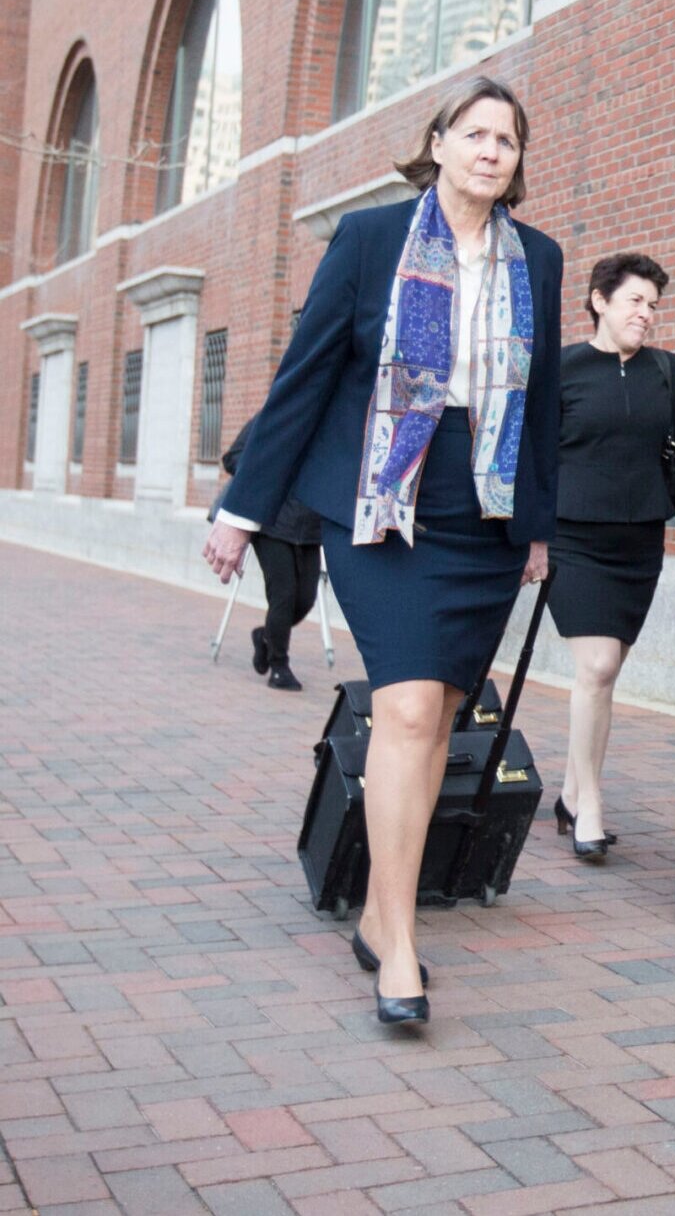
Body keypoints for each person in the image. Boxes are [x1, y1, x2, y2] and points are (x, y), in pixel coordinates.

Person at [203, 76, 561, 1026]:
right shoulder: (369, 241)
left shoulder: (544, 261)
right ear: (436, 144)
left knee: (440, 716)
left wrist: (538, 529)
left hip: (482, 512)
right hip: (382, 505)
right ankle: (398, 937)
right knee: (404, 710)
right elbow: (306, 375)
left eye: (508, 140)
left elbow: (547, 405)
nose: (492, 150)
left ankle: (376, 905)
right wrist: (242, 511)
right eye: (475, 133)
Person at [548, 252, 675, 862]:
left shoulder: (665, 370)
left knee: (606, 674)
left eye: (653, 305)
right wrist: (530, 540)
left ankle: (570, 791)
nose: (646, 315)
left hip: (638, 543)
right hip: (574, 539)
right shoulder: (562, 368)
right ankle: (589, 803)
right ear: (599, 301)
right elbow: (534, 460)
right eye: (634, 302)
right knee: (593, 669)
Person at [218, 415, 323, 692]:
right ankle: (279, 666)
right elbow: (233, 457)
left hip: (310, 527)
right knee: (284, 595)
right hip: (272, 523)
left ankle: (266, 636)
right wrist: (267, 471)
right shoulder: (272, 417)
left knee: (305, 600)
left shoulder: (327, 422)